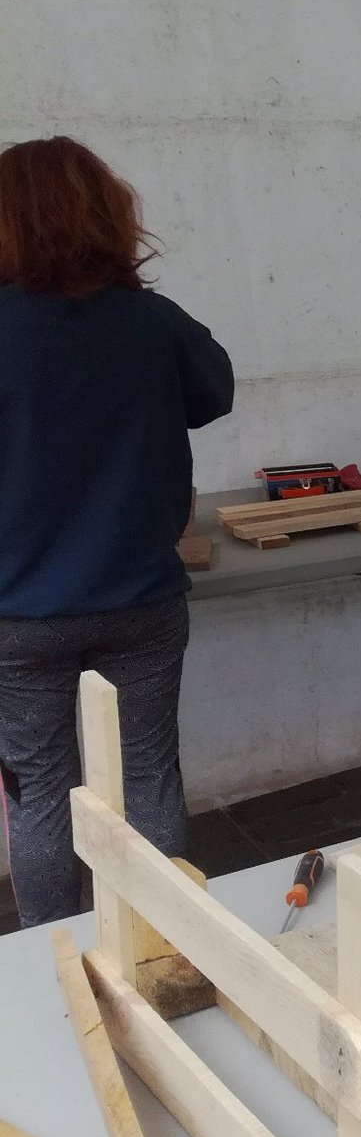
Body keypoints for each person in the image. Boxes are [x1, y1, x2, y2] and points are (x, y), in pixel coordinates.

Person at [0, 136, 234, 926]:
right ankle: (160, 947)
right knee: (149, 783)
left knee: (39, 796)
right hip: (141, 599)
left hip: (17, 614)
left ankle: (51, 964)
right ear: (111, 215)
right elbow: (213, 393)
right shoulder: (151, 322)